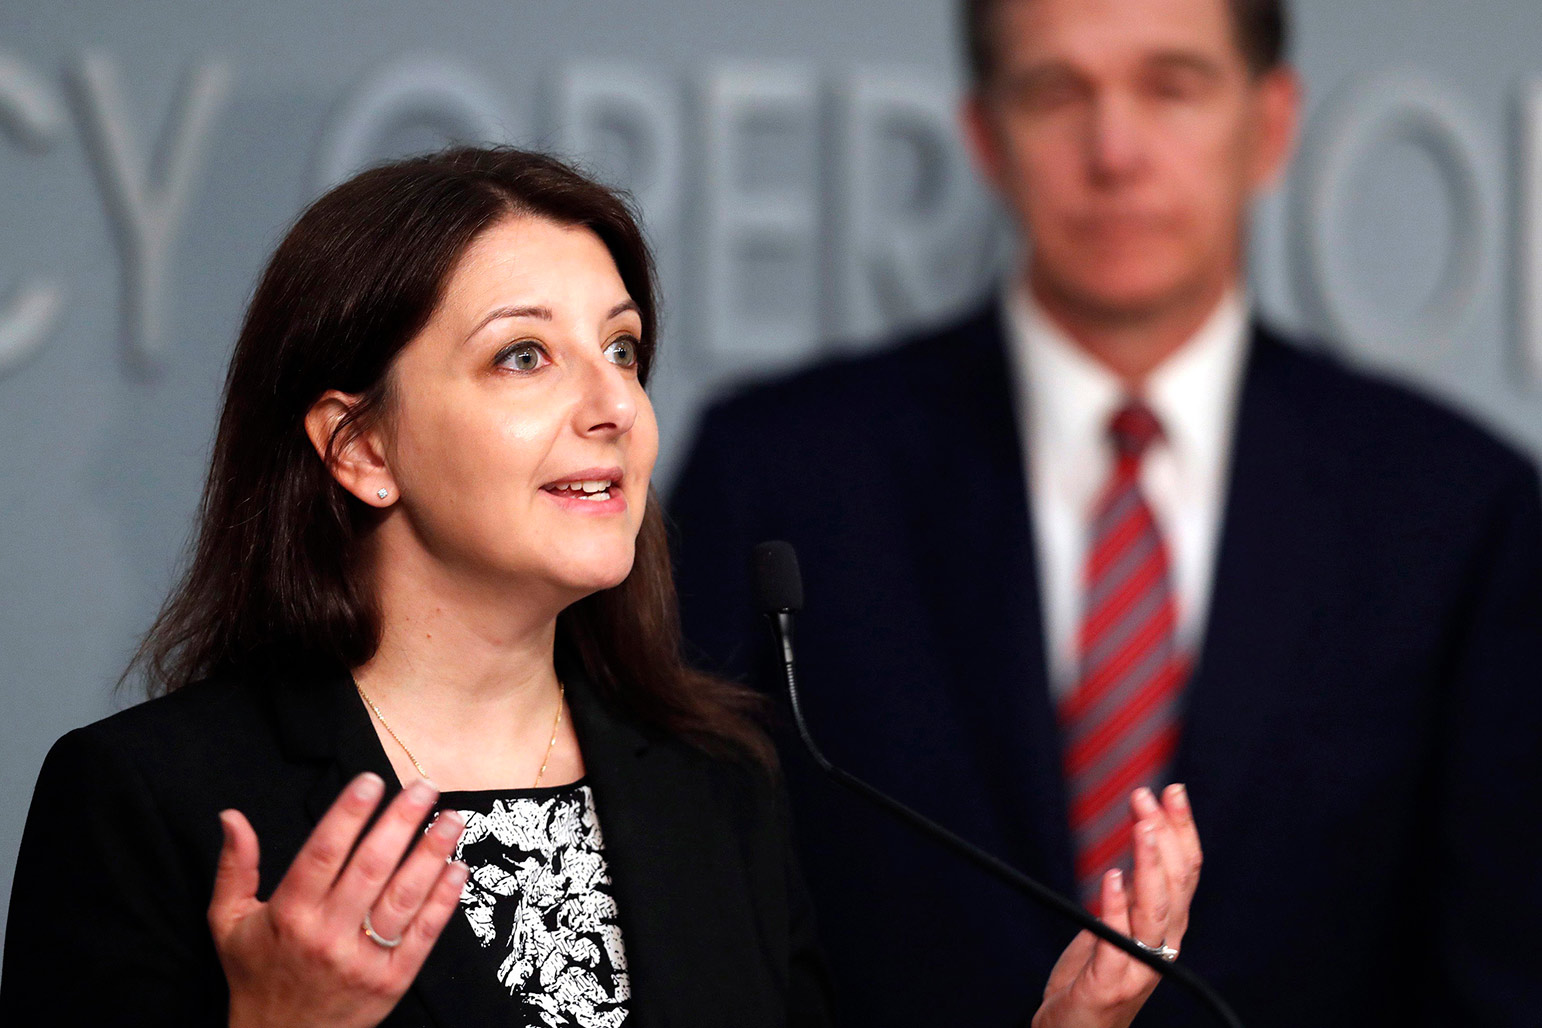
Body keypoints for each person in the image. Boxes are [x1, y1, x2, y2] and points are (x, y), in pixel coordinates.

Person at [0, 146, 1200, 1028]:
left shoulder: (716, 781)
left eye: (622, 349)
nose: (612, 404)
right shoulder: (154, 798)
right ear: (359, 447)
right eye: (525, 354)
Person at [668, 0, 1542, 1026]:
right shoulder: (780, 473)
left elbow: (1504, 976)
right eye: (1056, 92)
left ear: (1270, 123)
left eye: (1171, 87)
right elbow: (700, 925)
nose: (1115, 151)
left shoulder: (1454, 507)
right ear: (986, 136)